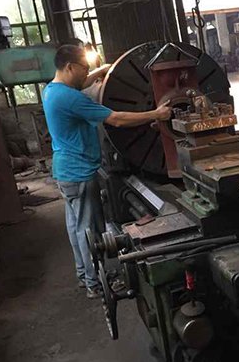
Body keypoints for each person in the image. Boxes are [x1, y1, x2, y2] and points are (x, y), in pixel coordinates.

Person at [43, 44, 171, 298]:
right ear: (70, 67)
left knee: (76, 227)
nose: (86, 73)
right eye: (84, 68)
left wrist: (102, 71)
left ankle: (84, 275)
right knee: (89, 230)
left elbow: (80, 84)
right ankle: (95, 284)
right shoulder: (71, 98)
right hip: (79, 172)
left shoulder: (51, 90)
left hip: (65, 170)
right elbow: (116, 119)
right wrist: (156, 113)